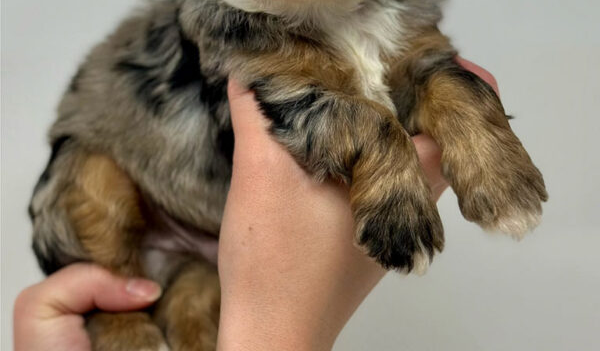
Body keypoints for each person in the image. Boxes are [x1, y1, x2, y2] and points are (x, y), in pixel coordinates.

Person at [14, 60, 498, 351]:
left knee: (194, 316)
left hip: (208, 243)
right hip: (142, 193)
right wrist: (278, 326)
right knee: (93, 186)